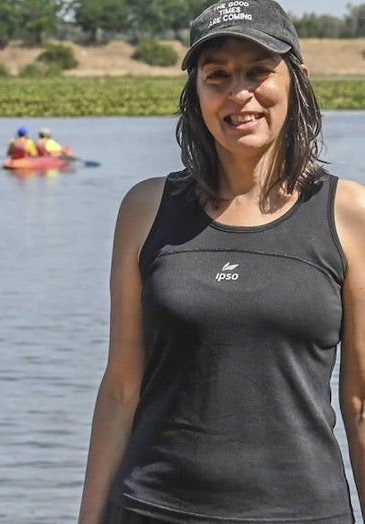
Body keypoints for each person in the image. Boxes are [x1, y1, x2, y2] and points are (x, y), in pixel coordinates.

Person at [78, 1, 365, 522]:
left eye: (258, 72)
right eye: (218, 76)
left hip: (303, 511)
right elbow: (121, 389)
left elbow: (362, 403)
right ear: (198, 93)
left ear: (297, 79)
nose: (240, 95)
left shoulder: (349, 213)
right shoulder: (146, 209)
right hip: (152, 507)